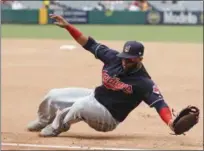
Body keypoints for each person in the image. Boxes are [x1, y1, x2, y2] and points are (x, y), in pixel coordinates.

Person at [27, 14, 175, 137]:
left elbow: (160, 104)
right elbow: (89, 44)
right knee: (53, 95)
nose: (125, 61)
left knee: (79, 106)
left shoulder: (144, 82)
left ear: (139, 59)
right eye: (124, 56)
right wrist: (68, 27)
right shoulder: (114, 57)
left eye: (130, 59)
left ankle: (57, 127)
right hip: (95, 97)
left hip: (108, 117)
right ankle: (43, 120)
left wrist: (170, 122)